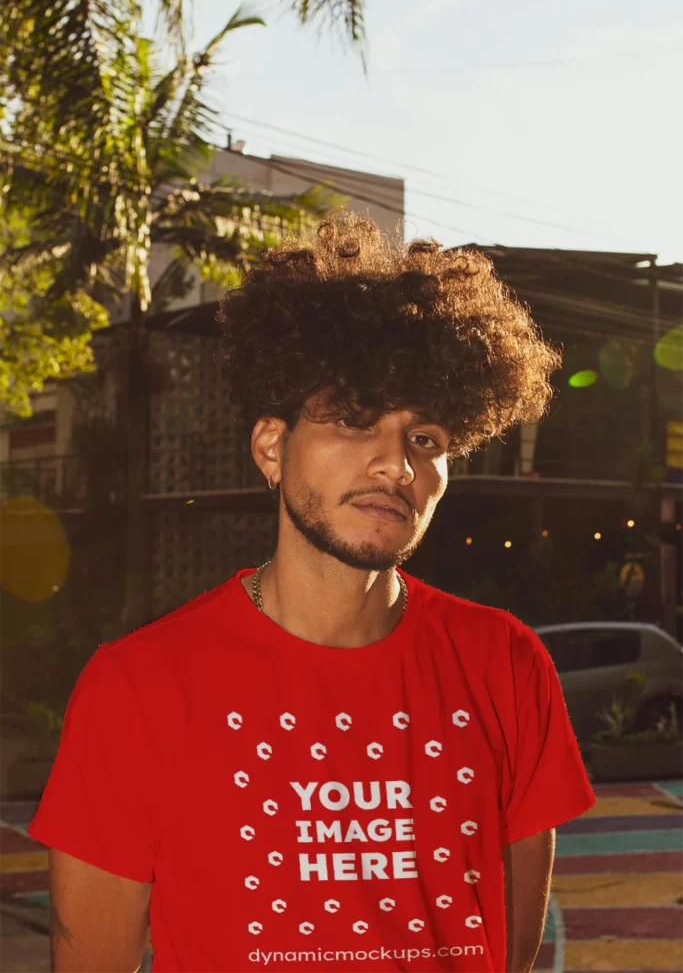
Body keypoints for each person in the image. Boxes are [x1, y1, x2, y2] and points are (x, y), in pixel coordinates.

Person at [29, 212, 596, 972]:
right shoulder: (139, 685)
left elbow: (508, 950)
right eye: (356, 421)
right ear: (272, 446)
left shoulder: (505, 661)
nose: (397, 464)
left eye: (424, 439)